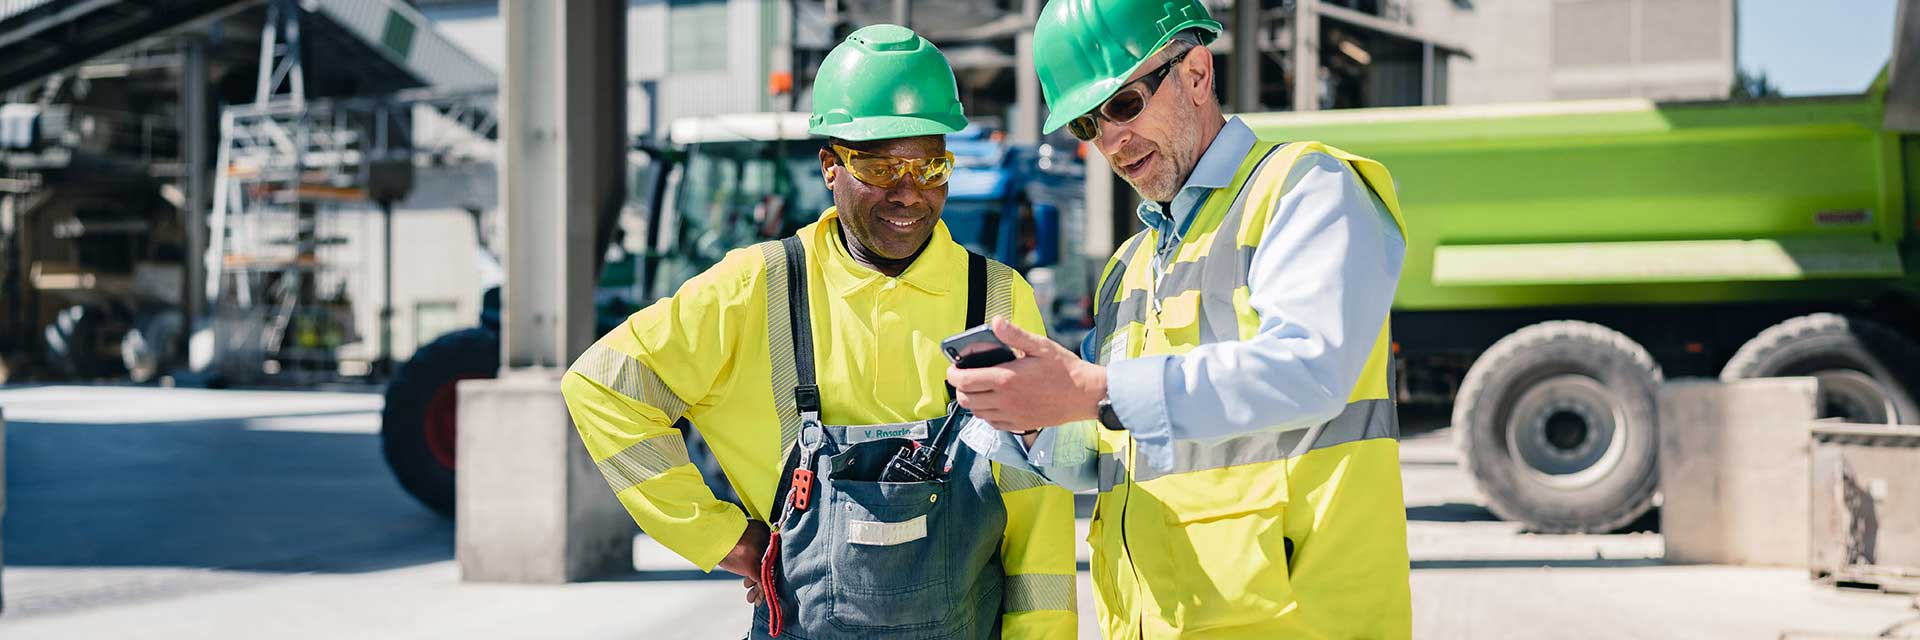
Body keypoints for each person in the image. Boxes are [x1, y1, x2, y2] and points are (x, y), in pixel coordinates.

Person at [561, 24, 1078, 640]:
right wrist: (722, 537)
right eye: (881, 166)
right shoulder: (759, 285)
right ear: (831, 167)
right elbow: (603, 386)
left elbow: (1034, 497)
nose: (909, 193)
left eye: (931, 164)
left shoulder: (995, 297)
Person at [947, 0, 1412, 636]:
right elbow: (1113, 446)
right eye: (1088, 124)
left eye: (1123, 105)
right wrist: (1035, 424)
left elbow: (1311, 368)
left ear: (1196, 74)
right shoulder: (1129, 266)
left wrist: (1097, 389)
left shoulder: (1304, 188)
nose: (1111, 140)